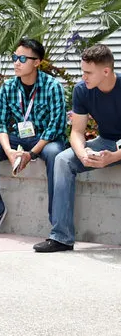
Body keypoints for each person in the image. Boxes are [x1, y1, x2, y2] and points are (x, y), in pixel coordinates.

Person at [34, 44, 121, 252]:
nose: (84, 77)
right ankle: (61, 237)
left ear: (106, 71)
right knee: (63, 159)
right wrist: (83, 155)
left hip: (117, 148)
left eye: (88, 72)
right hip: (107, 141)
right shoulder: (82, 91)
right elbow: (77, 132)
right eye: (83, 72)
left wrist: (114, 157)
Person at [0, 38, 67, 235]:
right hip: (18, 138)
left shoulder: (53, 87)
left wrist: (31, 154)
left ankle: (57, 220)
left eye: (22, 58)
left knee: (55, 155)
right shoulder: (8, 87)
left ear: (36, 62)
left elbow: (55, 127)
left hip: (46, 139)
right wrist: (9, 151)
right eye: (14, 57)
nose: (16, 62)